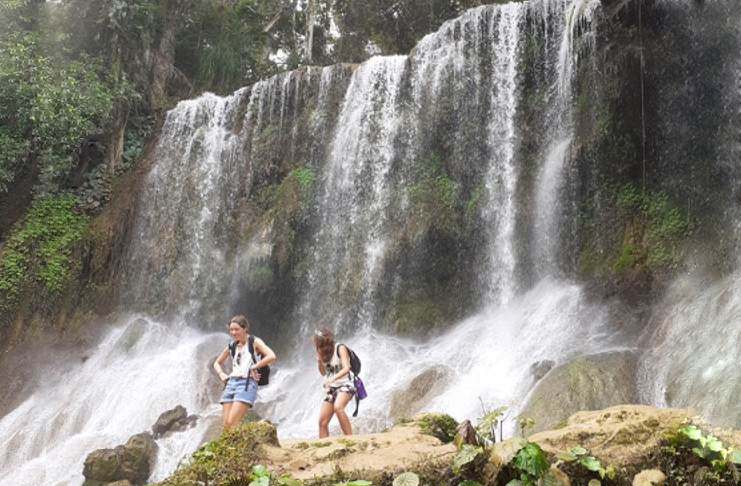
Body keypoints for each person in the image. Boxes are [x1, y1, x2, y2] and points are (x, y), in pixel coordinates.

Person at [213, 315, 276, 428]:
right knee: (226, 425)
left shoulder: (254, 342)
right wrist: (221, 373)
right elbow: (217, 362)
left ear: (245, 328)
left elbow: (271, 356)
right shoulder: (232, 346)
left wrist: (254, 367)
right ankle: (231, 445)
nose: (233, 332)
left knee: (232, 423)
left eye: (237, 329)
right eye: (231, 330)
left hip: (246, 383)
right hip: (230, 383)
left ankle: (237, 444)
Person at [312, 328, 355, 437]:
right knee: (322, 422)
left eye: (319, 343)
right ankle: (324, 448)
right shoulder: (321, 351)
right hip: (333, 388)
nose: (317, 346)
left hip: (346, 384)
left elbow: (346, 368)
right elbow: (323, 373)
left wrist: (332, 379)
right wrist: (319, 361)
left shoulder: (340, 348)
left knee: (338, 407)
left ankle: (351, 439)